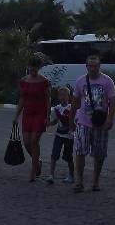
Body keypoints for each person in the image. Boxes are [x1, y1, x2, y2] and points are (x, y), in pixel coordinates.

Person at [70, 54, 115, 192]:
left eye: (95, 66)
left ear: (99, 66)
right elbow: (75, 102)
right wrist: (71, 119)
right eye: (90, 66)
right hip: (83, 122)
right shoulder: (80, 81)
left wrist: (110, 118)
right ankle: (79, 181)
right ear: (86, 67)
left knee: (99, 154)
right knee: (80, 151)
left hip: (100, 123)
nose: (92, 69)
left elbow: (113, 100)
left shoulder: (107, 81)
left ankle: (96, 181)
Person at [13, 53, 51, 182]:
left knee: (34, 141)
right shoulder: (23, 81)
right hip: (28, 113)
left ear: (39, 68)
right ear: (28, 67)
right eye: (31, 67)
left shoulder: (44, 81)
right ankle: (37, 162)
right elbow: (22, 98)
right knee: (27, 143)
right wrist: (16, 115)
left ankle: (33, 170)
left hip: (40, 113)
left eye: (35, 68)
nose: (33, 70)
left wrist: (47, 116)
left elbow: (48, 99)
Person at [42, 85, 74, 185]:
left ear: (69, 97)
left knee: (69, 157)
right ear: (58, 97)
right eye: (60, 95)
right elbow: (56, 121)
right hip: (59, 135)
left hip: (69, 137)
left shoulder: (72, 108)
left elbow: (74, 122)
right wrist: (49, 124)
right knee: (54, 155)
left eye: (65, 95)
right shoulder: (56, 108)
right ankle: (51, 175)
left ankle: (71, 175)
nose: (62, 97)